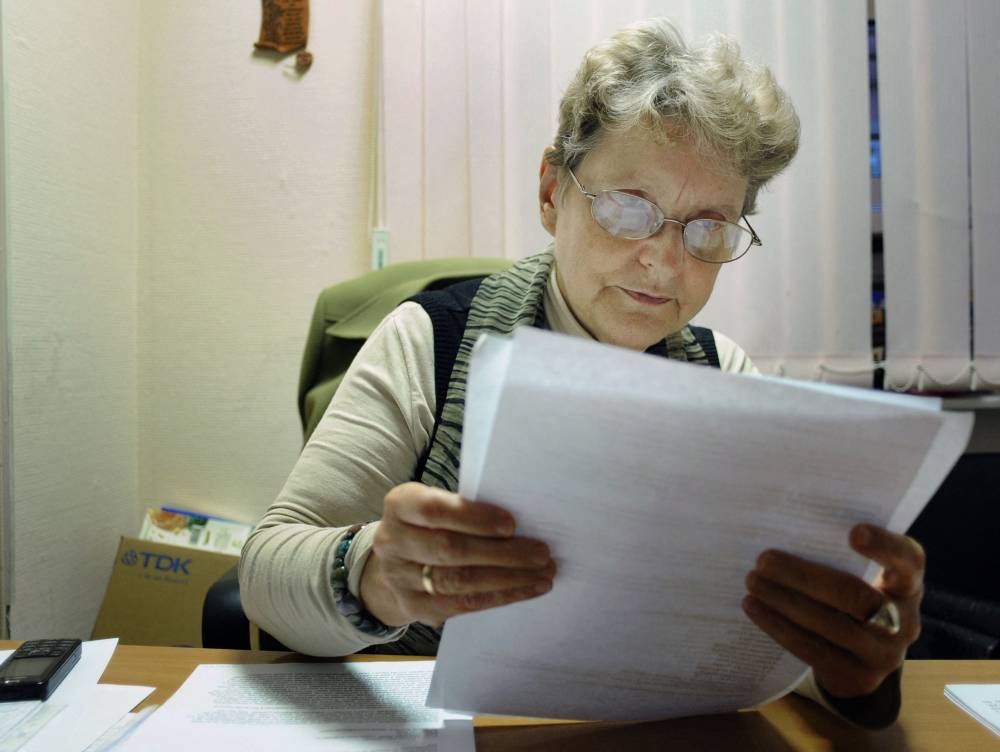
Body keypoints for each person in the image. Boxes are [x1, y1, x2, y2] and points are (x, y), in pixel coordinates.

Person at [239, 17, 924, 729]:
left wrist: (858, 671)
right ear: (550, 193)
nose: (665, 261)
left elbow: (768, 650)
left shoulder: (726, 377)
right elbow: (263, 575)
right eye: (630, 207)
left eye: (708, 226)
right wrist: (375, 574)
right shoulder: (431, 342)